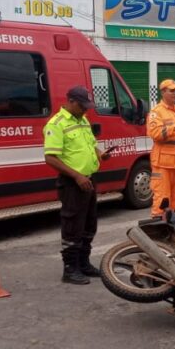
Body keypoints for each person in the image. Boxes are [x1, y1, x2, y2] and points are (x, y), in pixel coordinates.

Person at [43, 86, 112, 285]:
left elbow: (91, 144)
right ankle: (70, 268)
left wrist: (100, 154)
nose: (86, 110)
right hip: (73, 183)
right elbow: (50, 158)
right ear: (71, 101)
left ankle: (83, 263)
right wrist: (77, 176)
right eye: (82, 106)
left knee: (89, 224)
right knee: (73, 225)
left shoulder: (82, 120)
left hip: (89, 179)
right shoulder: (56, 124)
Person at [146, 79, 175, 217]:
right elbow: (155, 134)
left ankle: (173, 230)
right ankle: (158, 231)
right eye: (172, 90)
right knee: (162, 201)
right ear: (163, 92)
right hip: (162, 165)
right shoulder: (156, 112)